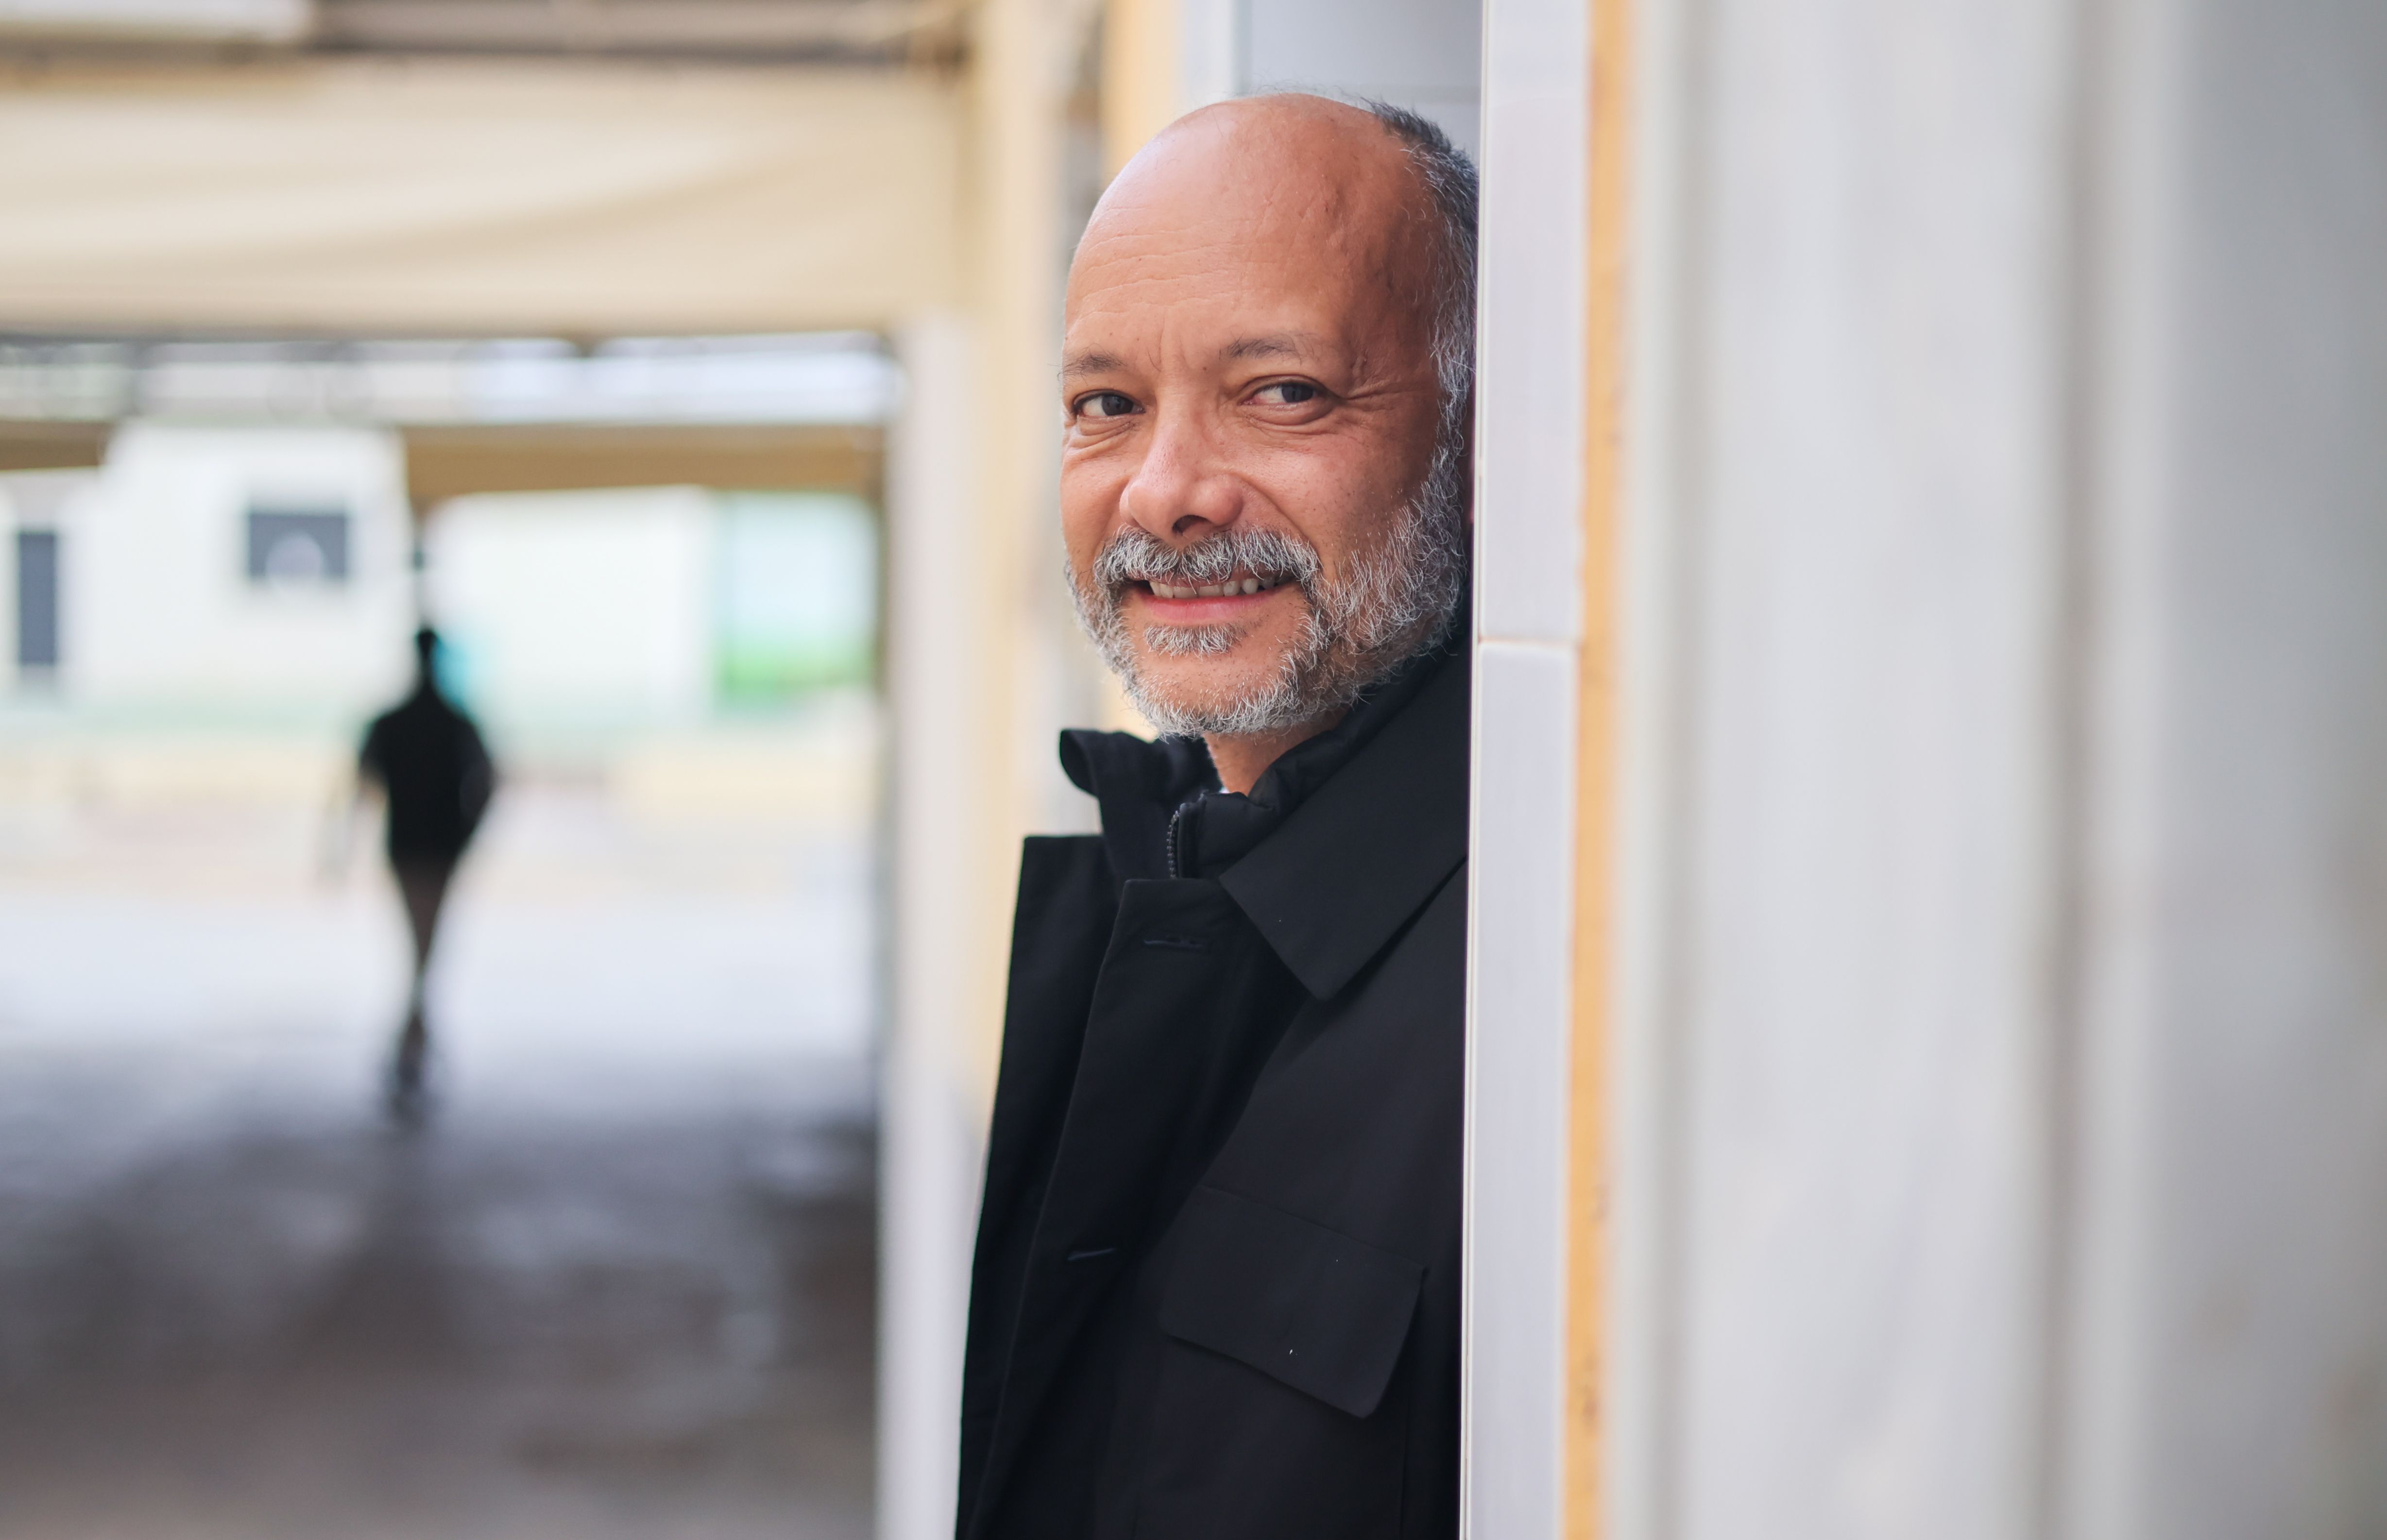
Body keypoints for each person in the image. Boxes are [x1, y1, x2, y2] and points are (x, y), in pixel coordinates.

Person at [958, 96, 1476, 1540]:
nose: (1165, 491)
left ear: (1490, 452)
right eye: (1107, 407)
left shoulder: (1543, 974)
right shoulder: (1166, 870)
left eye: (1285, 391)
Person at [357, 625, 494, 1103]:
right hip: (436, 849)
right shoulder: (454, 720)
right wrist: (465, 835)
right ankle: (413, 1047)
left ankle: (411, 1048)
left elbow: (362, 785)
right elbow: (489, 782)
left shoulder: (395, 721)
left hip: (410, 848)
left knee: (420, 949)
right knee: (424, 948)